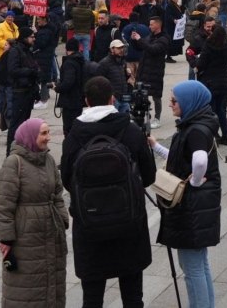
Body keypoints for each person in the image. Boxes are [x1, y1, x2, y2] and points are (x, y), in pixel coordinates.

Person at [60, 76, 156, 308]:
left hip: (90, 226)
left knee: (92, 298)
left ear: (86, 101)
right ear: (112, 99)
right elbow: (149, 175)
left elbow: (66, 181)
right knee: (133, 297)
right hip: (129, 224)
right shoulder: (130, 130)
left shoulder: (75, 135)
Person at [148, 81, 221, 308]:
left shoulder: (196, 130)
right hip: (198, 207)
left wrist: (196, 182)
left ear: (189, 102)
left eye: (174, 101)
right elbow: (183, 158)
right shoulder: (197, 123)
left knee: (192, 267)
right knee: (199, 263)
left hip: (192, 208)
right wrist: (156, 147)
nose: (171, 104)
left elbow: (199, 160)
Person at [0, 118, 69, 307]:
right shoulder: (14, 163)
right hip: (25, 239)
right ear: (30, 136)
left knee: (52, 286)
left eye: (48, 133)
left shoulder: (49, 160)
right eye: (43, 133)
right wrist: (7, 239)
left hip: (51, 235)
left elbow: (58, 194)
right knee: (27, 290)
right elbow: (4, 206)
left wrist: (62, 219)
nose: (48, 138)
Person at [196, 25, 227, 146]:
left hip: (210, 82)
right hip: (223, 82)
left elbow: (202, 63)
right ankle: (226, 136)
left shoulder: (208, 46)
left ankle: (214, 135)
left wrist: (196, 64)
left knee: (211, 111)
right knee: (221, 111)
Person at [131, 16, 170, 129]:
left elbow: (153, 49)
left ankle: (157, 118)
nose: (150, 26)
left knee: (156, 96)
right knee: (142, 95)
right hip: (144, 70)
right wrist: (134, 41)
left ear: (158, 25)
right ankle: (142, 116)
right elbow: (142, 47)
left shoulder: (164, 39)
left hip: (155, 71)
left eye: (152, 24)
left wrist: (140, 40)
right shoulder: (150, 36)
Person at [6, 27, 40, 154]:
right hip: (20, 92)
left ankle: (22, 148)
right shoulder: (16, 51)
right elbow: (13, 71)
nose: (34, 39)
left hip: (28, 91)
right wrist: (29, 72)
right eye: (32, 36)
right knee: (16, 124)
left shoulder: (28, 51)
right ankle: (11, 151)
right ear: (25, 37)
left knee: (25, 123)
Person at [97, 39, 129, 113]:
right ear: (112, 49)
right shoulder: (104, 63)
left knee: (125, 121)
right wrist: (109, 95)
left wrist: (127, 75)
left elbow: (122, 79)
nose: (121, 50)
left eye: (122, 47)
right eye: (118, 48)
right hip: (113, 99)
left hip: (124, 97)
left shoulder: (122, 61)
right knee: (113, 122)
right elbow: (99, 82)